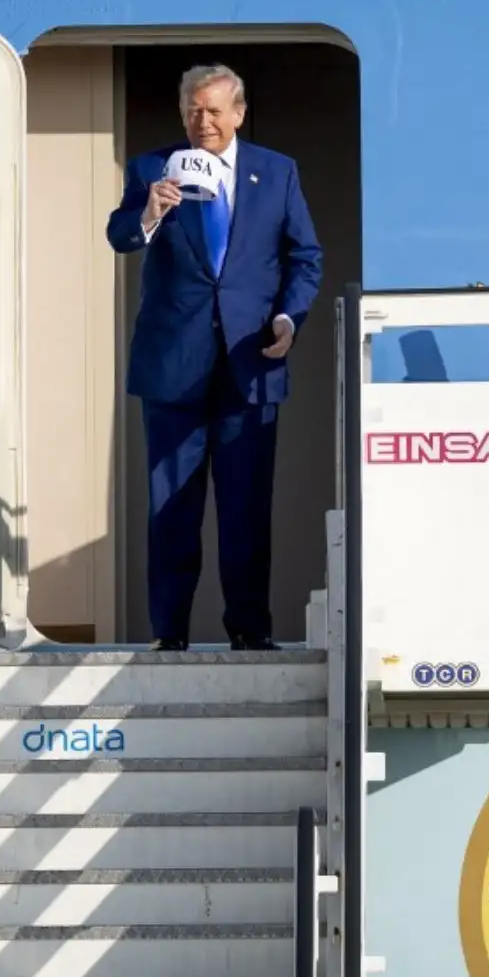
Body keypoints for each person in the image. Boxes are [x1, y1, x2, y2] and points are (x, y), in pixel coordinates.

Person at [106, 64, 323, 652]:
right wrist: (150, 213)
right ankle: (168, 634)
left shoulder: (277, 172)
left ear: (239, 112)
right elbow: (119, 234)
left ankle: (250, 631)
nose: (203, 121)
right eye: (193, 110)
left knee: (246, 510)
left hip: (250, 365)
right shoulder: (153, 168)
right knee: (171, 508)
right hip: (174, 366)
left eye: (214, 110)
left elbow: (305, 258)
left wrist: (288, 319)